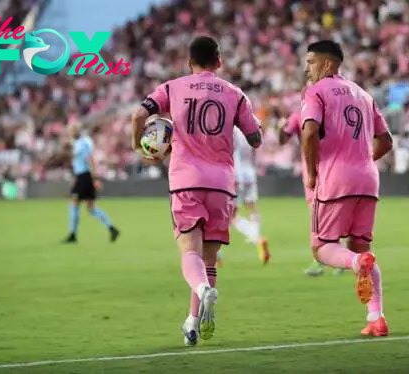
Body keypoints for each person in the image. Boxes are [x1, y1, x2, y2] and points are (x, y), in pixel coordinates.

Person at [130, 36, 263, 346]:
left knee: (190, 252)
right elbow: (255, 138)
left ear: (189, 63)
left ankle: (204, 291)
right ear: (219, 62)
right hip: (221, 183)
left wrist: (141, 146)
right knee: (209, 259)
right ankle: (193, 322)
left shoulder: (172, 87)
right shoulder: (235, 94)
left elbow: (139, 115)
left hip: (186, 179)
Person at [300, 40, 393, 336]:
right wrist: (363, 158)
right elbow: (387, 140)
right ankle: (376, 318)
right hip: (368, 179)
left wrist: (313, 172)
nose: (307, 68)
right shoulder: (364, 95)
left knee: (321, 247)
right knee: (363, 246)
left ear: (329, 64)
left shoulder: (316, 92)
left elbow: (310, 132)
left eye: (311, 62)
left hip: (335, 179)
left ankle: (354, 263)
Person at [279, 106, 344, 277]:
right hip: (329, 167)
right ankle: (337, 256)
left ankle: (324, 259)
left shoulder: (301, 114)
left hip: (318, 169)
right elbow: (284, 138)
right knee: (327, 213)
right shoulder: (328, 110)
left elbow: (283, 138)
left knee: (320, 214)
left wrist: (281, 128)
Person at [54, 124, 120, 244]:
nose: (71, 133)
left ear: (77, 131)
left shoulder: (82, 144)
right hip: (82, 177)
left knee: (74, 204)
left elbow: (90, 160)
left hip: (84, 177)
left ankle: (73, 235)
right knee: (91, 208)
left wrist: (95, 178)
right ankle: (112, 228)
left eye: (73, 130)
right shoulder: (78, 143)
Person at [218, 128, 270, 266]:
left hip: (233, 173)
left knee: (227, 215)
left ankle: (255, 236)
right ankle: (256, 234)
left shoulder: (230, 127)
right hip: (248, 172)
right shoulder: (248, 126)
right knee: (251, 205)